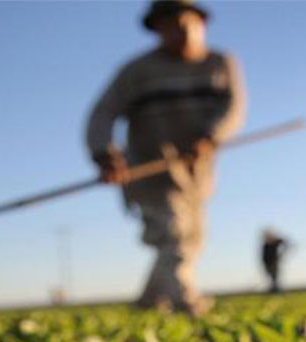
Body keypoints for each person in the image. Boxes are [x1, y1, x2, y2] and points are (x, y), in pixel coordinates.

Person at [85, 0, 245, 315]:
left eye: (186, 24)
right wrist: (104, 153)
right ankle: (186, 303)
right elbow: (102, 114)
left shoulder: (220, 64)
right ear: (157, 29)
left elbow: (233, 107)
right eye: (169, 25)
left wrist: (211, 137)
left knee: (191, 239)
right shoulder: (137, 72)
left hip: (196, 173)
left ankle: (147, 303)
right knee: (174, 234)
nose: (180, 32)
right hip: (149, 170)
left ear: (201, 23)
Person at [261, 229, 289, 293]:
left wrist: (283, 252)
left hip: (274, 263)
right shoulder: (265, 245)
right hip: (267, 264)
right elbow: (264, 256)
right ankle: (273, 289)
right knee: (271, 277)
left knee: (275, 277)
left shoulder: (275, 242)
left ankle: (276, 290)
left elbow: (285, 242)